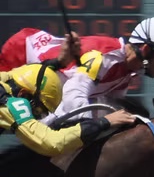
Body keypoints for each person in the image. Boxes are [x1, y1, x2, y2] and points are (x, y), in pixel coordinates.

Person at [3, 18, 154, 123]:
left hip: (42, 92)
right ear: (146, 49)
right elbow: (73, 95)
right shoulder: (106, 57)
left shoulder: (131, 70)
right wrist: (98, 126)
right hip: (16, 62)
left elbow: (107, 104)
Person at [1, 61, 137, 157]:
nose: (36, 117)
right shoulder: (13, 104)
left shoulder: (6, 80)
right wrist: (103, 122)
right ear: (23, 94)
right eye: (37, 110)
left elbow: (15, 73)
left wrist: (55, 62)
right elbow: (52, 143)